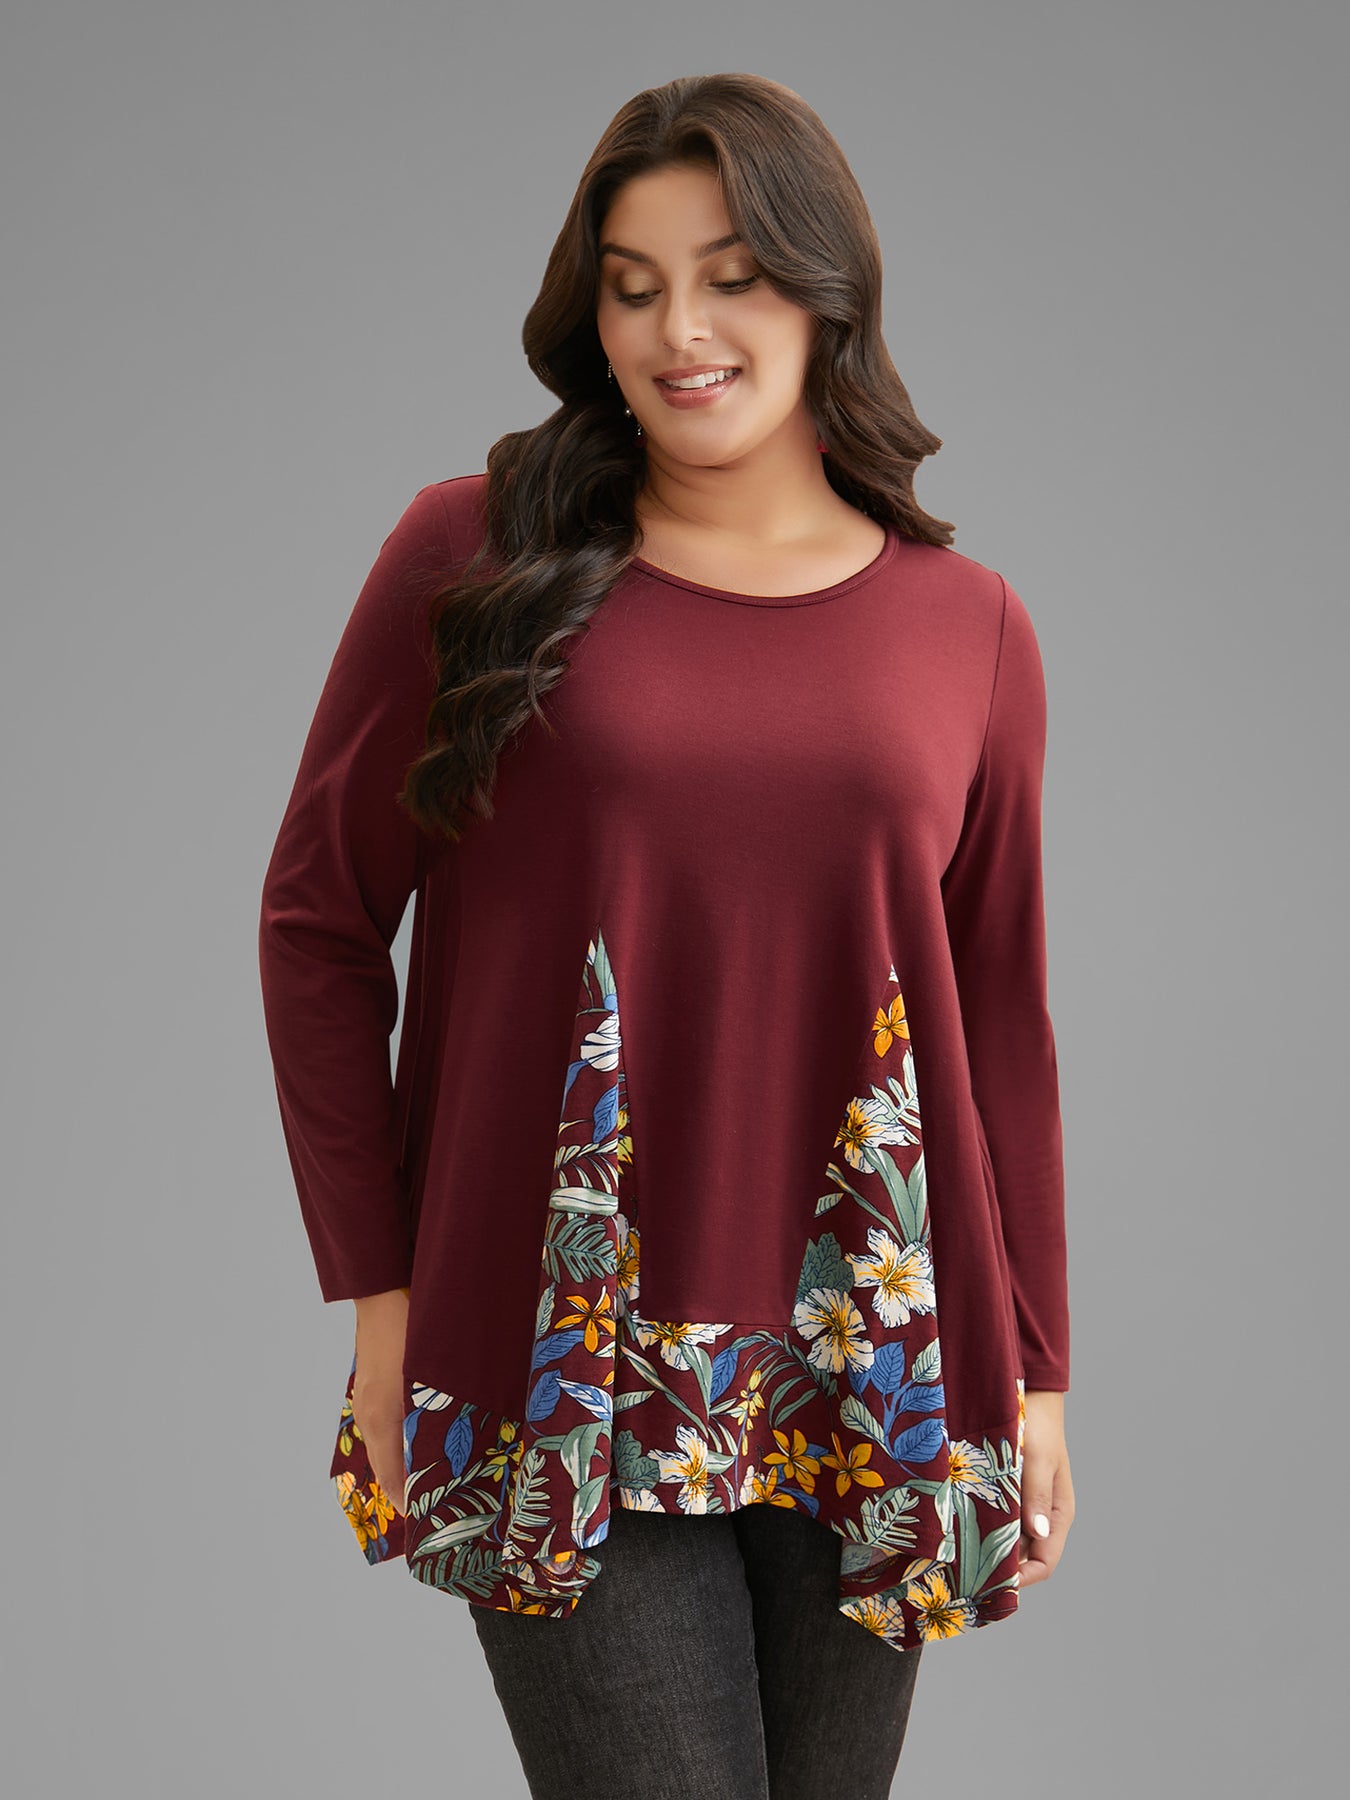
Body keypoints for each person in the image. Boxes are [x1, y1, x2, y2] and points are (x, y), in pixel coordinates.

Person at [259, 70, 1074, 1800]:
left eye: (731, 277)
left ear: (824, 291)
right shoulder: (473, 551)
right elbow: (317, 921)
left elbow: (997, 1015)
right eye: (632, 288)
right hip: (553, 1344)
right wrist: (382, 1298)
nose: (679, 332)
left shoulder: (970, 628)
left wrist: (1037, 1373)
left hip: (871, 1357)